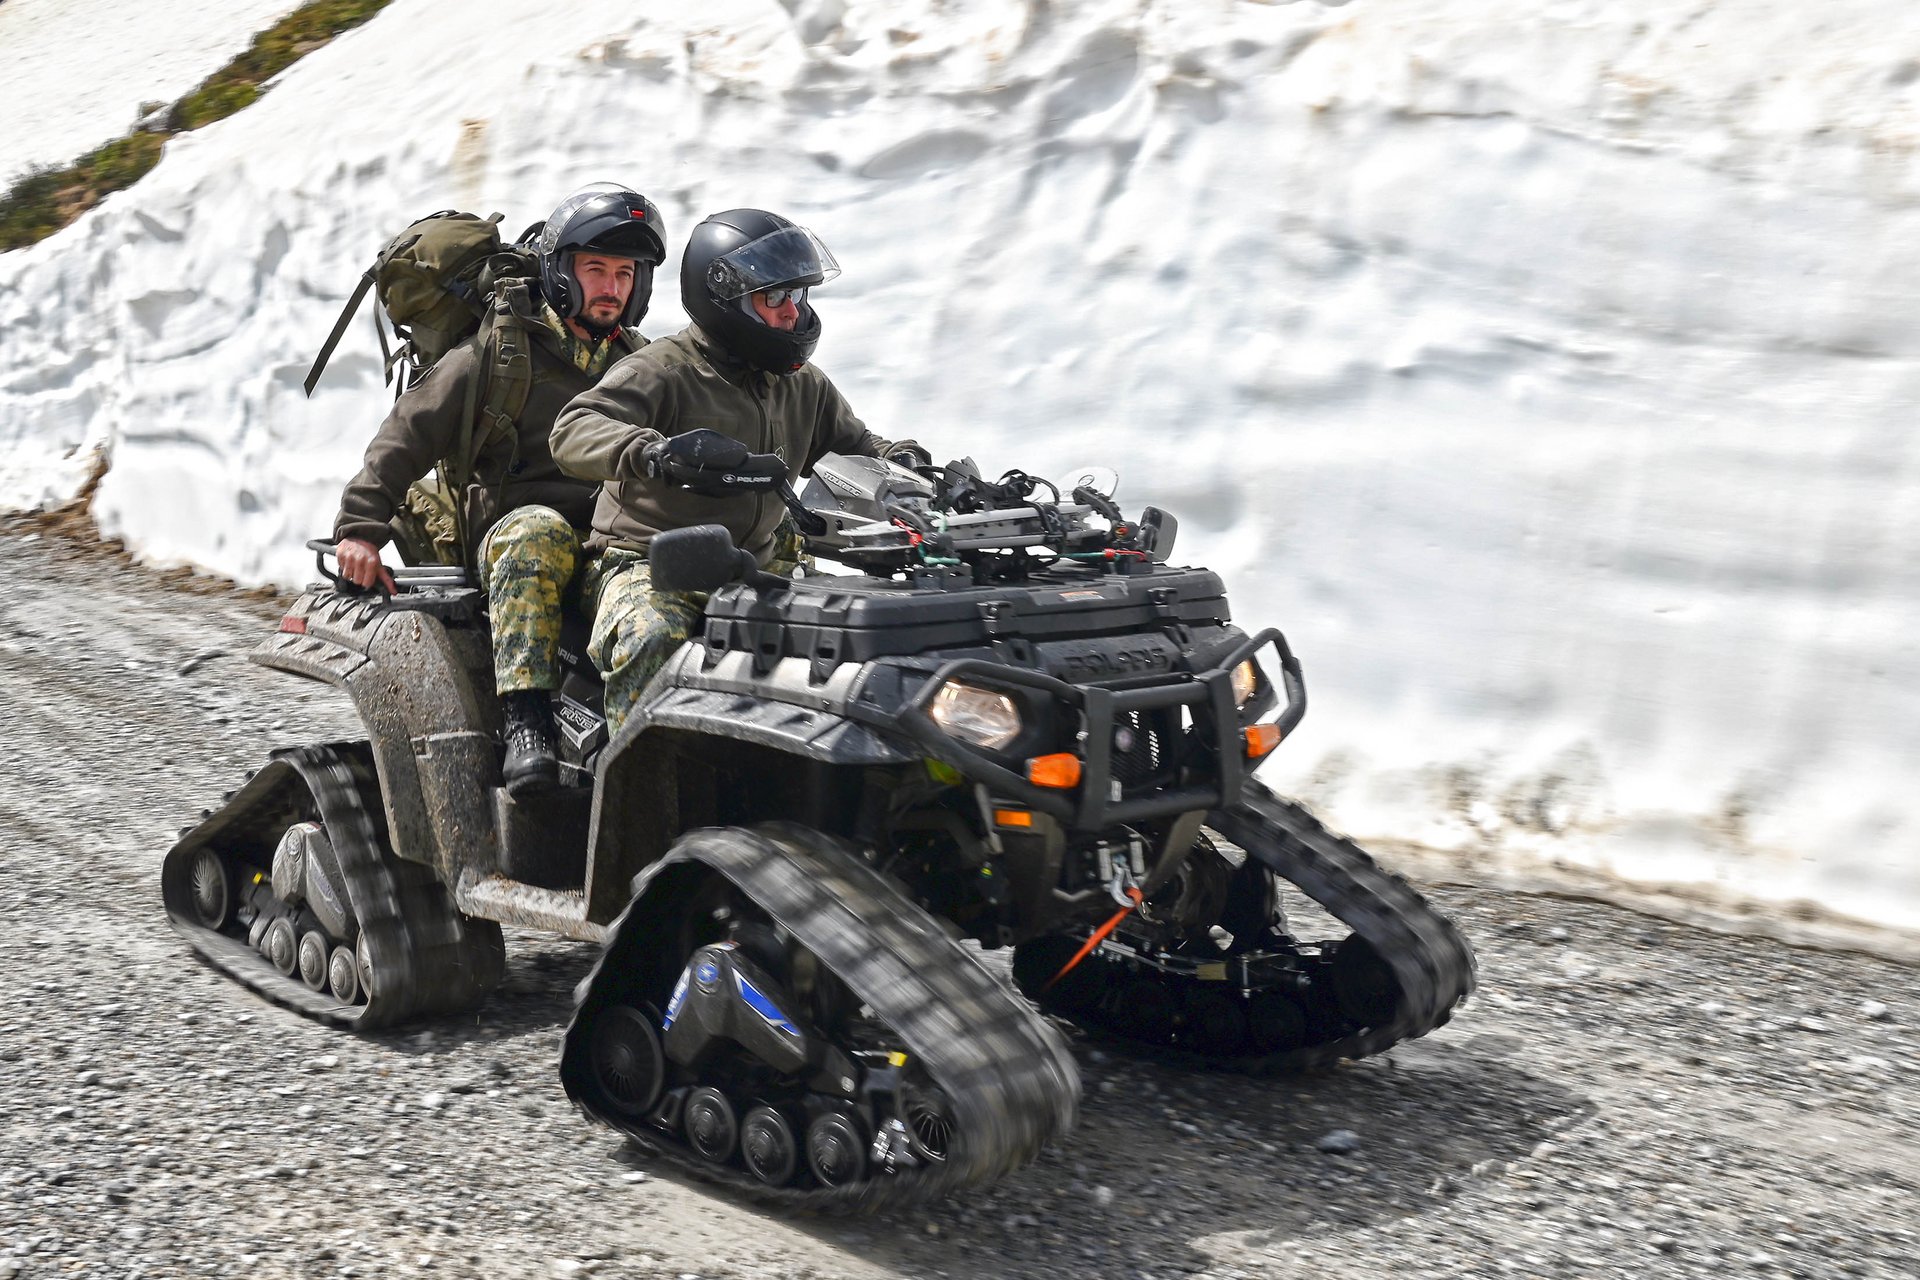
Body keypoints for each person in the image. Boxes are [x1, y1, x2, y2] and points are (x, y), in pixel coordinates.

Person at [330, 182, 666, 794]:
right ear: (563, 272)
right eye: (596, 269)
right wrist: (359, 527)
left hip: (611, 543)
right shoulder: (498, 352)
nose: (612, 288)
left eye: (626, 273)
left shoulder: (642, 365)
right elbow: (405, 435)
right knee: (535, 532)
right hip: (514, 539)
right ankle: (527, 721)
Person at [550, 207, 930, 735]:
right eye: (774, 298)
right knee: (650, 637)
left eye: (797, 297)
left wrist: (910, 466)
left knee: (857, 634)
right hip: (646, 566)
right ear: (723, 298)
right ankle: (639, 792)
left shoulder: (802, 385)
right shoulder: (663, 370)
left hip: (758, 565)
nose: (792, 314)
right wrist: (655, 452)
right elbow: (573, 428)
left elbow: (857, 449)